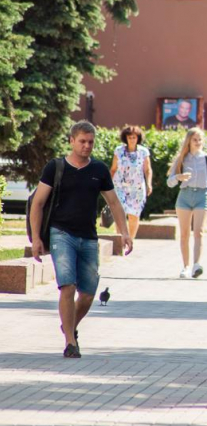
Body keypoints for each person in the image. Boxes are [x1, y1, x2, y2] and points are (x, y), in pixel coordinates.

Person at [29, 121, 133, 358]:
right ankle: (70, 342)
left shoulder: (98, 170)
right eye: (82, 141)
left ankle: (69, 324)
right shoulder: (55, 168)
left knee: (87, 293)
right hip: (61, 233)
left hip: (88, 237)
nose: (86, 146)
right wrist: (36, 238)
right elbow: (38, 203)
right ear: (72, 141)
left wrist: (124, 232)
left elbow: (114, 203)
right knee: (68, 285)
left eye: (90, 142)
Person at [167, 127, 207, 278]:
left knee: (199, 232)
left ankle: (197, 265)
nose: (197, 142)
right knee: (184, 234)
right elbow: (169, 182)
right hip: (184, 195)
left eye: (200, 140)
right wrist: (179, 177)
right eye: (194, 139)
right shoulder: (182, 159)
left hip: (203, 195)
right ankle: (186, 266)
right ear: (189, 141)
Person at [110, 125, 152, 240]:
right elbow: (113, 169)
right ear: (126, 138)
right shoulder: (119, 151)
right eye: (129, 137)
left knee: (134, 215)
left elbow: (147, 170)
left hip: (137, 188)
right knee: (120, 214)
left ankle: (130, 241)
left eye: (134, 137)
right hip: (120, 187)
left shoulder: (144, 152)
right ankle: (120, 241)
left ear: (138, 138)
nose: (132, 140)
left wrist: (149, 184)